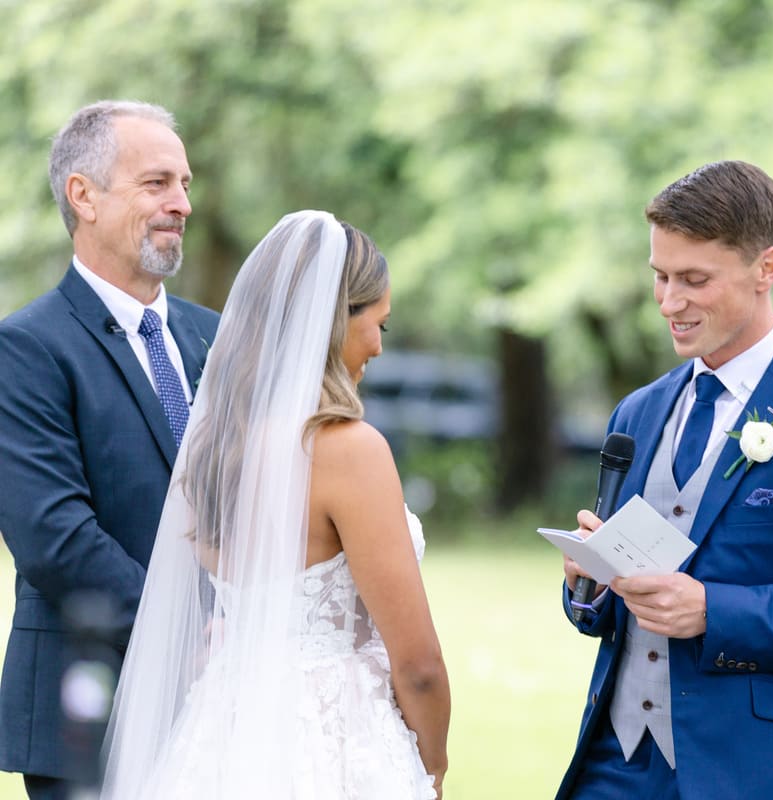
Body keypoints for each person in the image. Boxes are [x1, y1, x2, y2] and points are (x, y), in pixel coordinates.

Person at [555, 160, 773, 799]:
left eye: (694, 279)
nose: (670, 302)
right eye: (661, 277)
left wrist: (714, 611)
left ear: (766, 268)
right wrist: (590, 585)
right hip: (613, 766)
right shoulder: (636, 413)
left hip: (756, 772)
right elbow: (603, 614)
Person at [98, 210, 451, 798]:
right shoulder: (347, 449)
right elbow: (417, 664)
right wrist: (431, 763)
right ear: (335, 322)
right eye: (378, 324)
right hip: (334, 738)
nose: (380, 348)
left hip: (223, 725)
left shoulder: (214, 447)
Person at [0, 100, 219, 799]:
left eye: (185, 184)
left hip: (226, 708)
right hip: (91, 711)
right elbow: (53, 539)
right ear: (83, 196)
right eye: (157, 183)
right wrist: (189, 634)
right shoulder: (27, 349)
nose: (181, 203)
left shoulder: (222, 338)